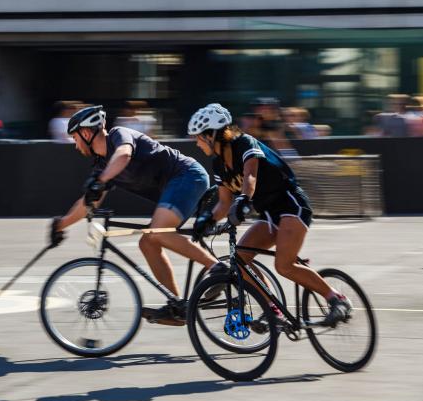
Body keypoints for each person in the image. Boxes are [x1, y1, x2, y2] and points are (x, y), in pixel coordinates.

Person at [50, 105, 228, 326]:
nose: (76, 146)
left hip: (187, 176)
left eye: (75, 138)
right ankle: (177, 306)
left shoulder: (118, 135)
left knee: (157, 232)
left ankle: (218, 268)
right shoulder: (102, 166)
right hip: (173, 189)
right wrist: (60, 224)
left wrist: (101, 181)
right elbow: (88, 203)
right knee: (148, 242)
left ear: (86, 133)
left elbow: (124, 155)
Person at [187, 103, 352, 330]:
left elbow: (250, 176)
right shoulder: (217, 164)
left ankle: (337, 299)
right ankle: (272, 311)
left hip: (291, 205)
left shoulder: (243, 142)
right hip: (268, 214)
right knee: (239, 262)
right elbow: (224, 202)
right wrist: (206, 221)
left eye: (198, 137)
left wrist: (244, 199)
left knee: (284, 265)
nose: (196, 142)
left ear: (211, 135)